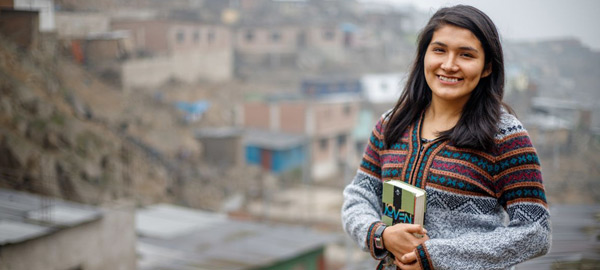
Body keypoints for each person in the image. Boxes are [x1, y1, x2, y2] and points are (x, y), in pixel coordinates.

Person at [341, 5, 551, 270]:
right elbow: (359, 197)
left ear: (487, 67)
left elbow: (535, 231)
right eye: (439, 50)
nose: (449, 65)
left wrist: (435, 256)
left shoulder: (505, 137)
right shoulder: (390, 124)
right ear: (424, 56)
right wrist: (380, 234)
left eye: (466, 55)